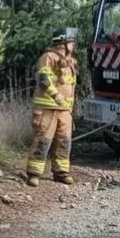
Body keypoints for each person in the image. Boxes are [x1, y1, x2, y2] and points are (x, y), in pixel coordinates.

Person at [26, 27, 79, 187]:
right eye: (71, 43)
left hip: (64, 110)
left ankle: (61, 173)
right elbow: (44, 81)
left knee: (64, 141)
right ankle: (34, 174)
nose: (73, 45)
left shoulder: (70, 61)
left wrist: (70, 107)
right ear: (64, 43)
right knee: (43, 141)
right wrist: (56, 96)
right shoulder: (47, 57)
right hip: (47, 109)